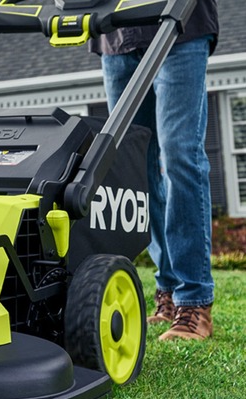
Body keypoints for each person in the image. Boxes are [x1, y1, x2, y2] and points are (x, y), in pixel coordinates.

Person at [90, 1, 218, 340]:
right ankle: (169, 293)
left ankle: (194, 301)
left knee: (180, 155)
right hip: (117, 36)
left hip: (181, 27)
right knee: (137, 168)